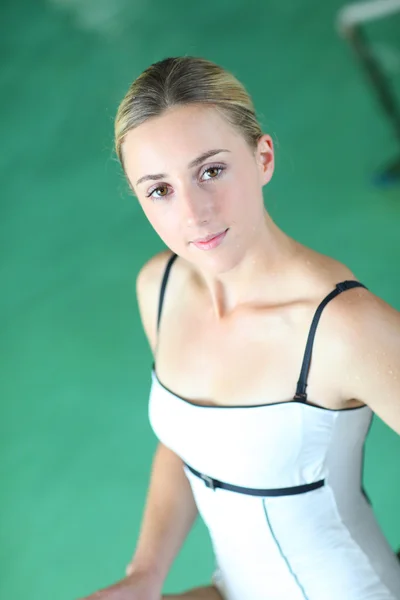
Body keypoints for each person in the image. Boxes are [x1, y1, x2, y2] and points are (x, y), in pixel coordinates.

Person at [80, 56, 400, 600]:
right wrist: (146, 575)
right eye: (160, 190)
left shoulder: (341, 327)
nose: (195, 214)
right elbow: (184, 444)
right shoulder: (159, 289)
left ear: (263, 157)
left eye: (211, 171)